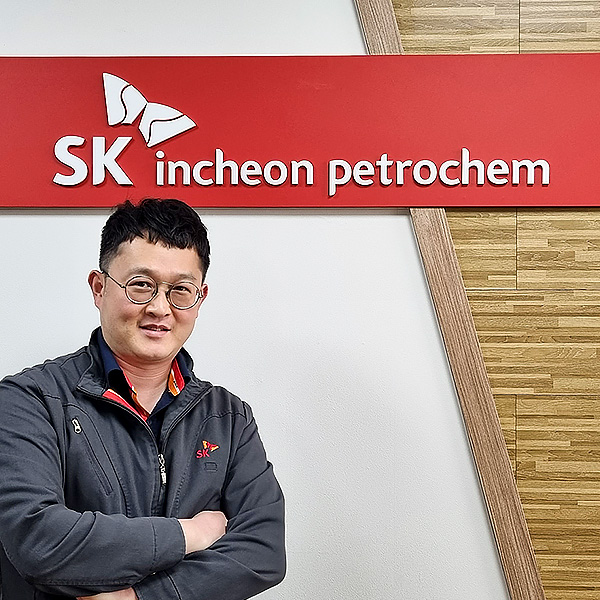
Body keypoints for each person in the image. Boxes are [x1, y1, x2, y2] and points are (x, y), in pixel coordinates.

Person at [0, 198, 286, 600]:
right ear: (99, 288)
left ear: (200, 298)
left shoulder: (228, 418)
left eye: (180, 290)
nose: (159, 308)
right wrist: (189, 534)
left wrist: (137, 597)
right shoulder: (30, 401)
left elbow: (263, 551)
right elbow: (37, 541)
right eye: (141, 285)